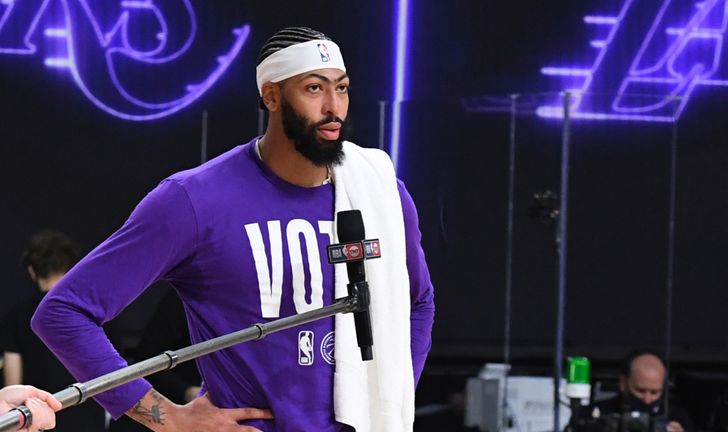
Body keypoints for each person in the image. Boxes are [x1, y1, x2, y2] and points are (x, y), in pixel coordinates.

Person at [31, 26, 435, 432]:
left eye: (342, 88)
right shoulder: (193, 200)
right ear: (272, 96)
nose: (334, 107)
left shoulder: (379, 192)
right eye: (314, 88)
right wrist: (168, 419)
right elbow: (64, 312)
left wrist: (393, 395)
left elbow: (418, 301)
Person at [1, 231, 106, 431]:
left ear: (32, 271)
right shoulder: (94, 312)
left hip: (39, 420)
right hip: (88, 420)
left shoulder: (17, 316)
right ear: (74, 268)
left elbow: (12, 381)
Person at [587, 351, 693, 432]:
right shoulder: (598, 414)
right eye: (640, 390)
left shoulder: (676, 418)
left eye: (654, 392)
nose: (647, 400)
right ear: (623, 383)